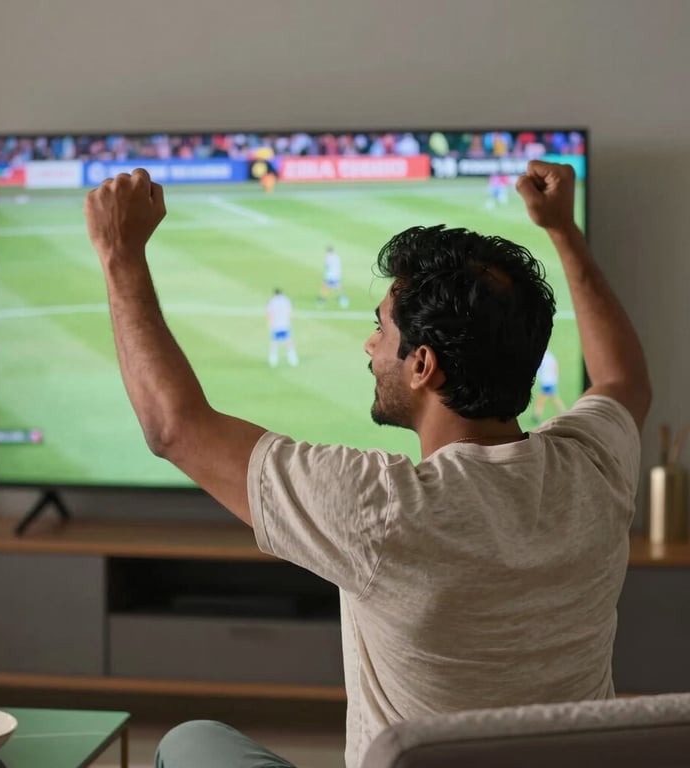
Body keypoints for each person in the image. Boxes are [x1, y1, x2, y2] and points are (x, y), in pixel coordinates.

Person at [84, 161, 651, 768]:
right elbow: (623, 378)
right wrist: (564, 232)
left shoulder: (383, 510)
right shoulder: (595, 467)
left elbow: (175, 429)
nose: (369, 344)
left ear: (422, 365)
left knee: (188, 742)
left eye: (379, 328)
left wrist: (121, 256)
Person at [266, 288, 298, 367]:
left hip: (276, 325)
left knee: (274, 343)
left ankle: (273, 360)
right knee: (288, 341)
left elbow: (269, 314)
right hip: (285, 325)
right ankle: (293, 359)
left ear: (274, 293)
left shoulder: (271, 301)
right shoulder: (286, 300)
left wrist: (270, 323)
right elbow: (290, 313)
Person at [532, 348, 567, 422]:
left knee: (542, 400)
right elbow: (556, 367)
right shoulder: (550, 356)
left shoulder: (543, 357)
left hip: (547, 382)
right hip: (550, 381)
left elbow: (539, 368)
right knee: (553, 398)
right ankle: (564, 412)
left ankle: (536, 416)